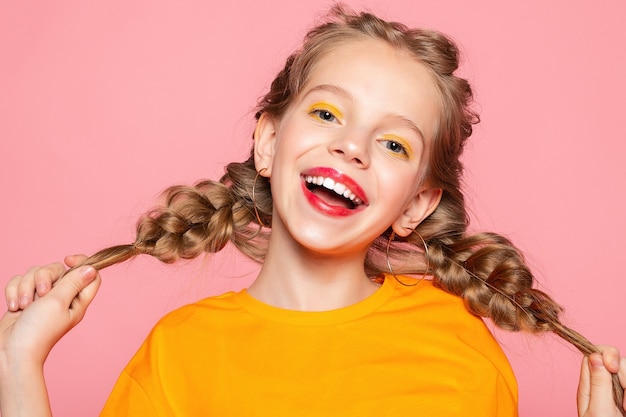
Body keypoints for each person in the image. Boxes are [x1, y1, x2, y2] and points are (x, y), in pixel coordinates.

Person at [0, 5, 624, 417]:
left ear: (416, 205)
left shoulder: (458, 349)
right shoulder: (177, 353)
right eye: (327, 113)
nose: (350, 146)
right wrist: (18, 366)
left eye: (393, 143)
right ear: (269, 142)